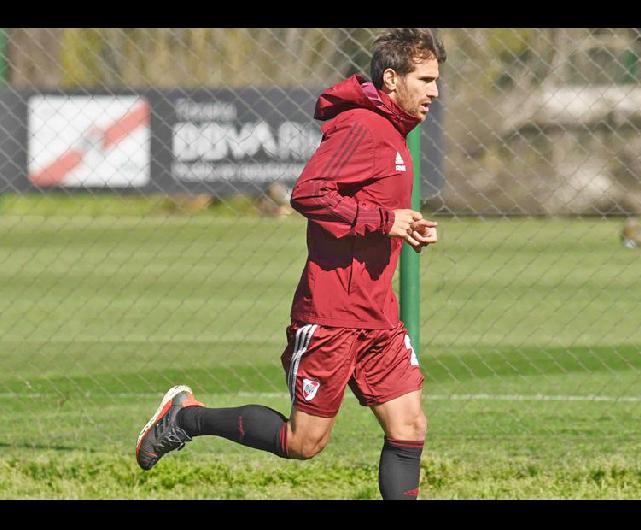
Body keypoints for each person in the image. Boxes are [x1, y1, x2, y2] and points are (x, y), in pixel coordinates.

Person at [135, 28, 446, 501]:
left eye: (435, 80)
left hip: (377, 316)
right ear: (391, 78)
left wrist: (405, 227)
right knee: (305, 443)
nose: (434, 91)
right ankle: (186, 416)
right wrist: (385, 220)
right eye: (424, 79)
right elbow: (308, 193)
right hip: (332, 314)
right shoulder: (363, 127)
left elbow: (372, 213)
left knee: (409, 427)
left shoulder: (395, 134)